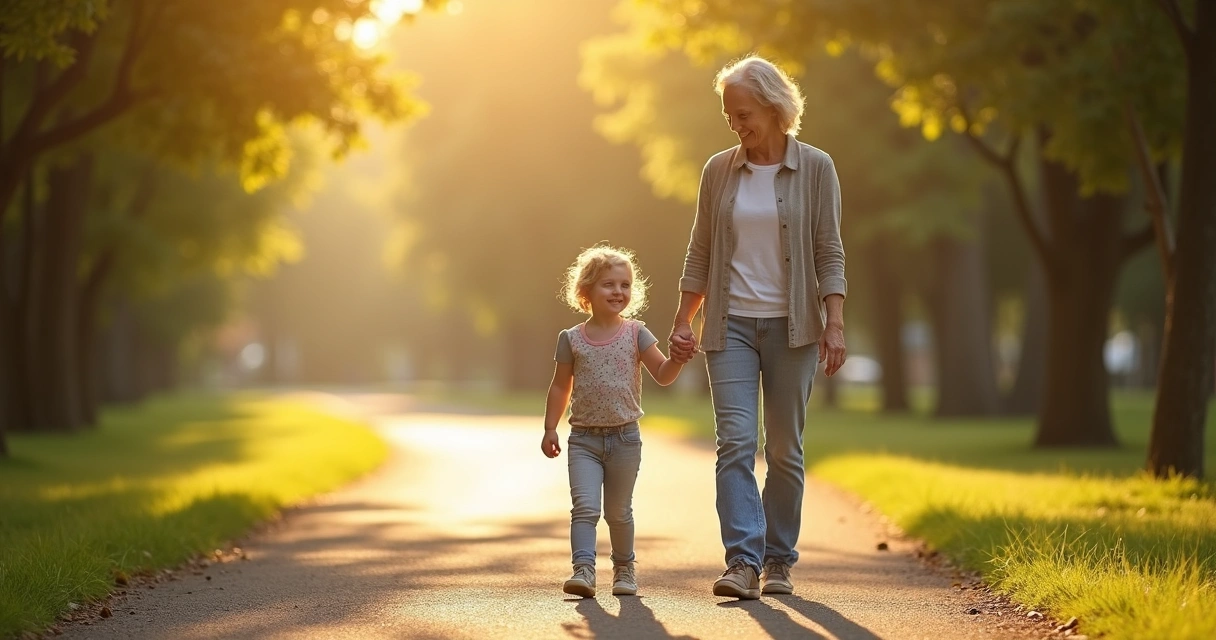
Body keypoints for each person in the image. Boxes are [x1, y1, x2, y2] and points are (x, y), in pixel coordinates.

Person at [668, 55, 848, 600]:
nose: (736, 125)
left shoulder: (817, 167)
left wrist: (834, 322)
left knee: (785, 450)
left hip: (795, 328)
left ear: (773, 108)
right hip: (732, 326)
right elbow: (700, 251)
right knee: (735, 443)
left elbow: (829, 250)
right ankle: (743, 561)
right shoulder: (717, 171)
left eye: (743, 113)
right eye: (729, 116)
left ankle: (778, 560)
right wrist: (683, 318)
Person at [541, 244, 691, 598]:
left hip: (625, 439)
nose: (618, 291)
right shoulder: (571, 339)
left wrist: (679, 359)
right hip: (584, 441)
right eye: (609, 284)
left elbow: (663, 374)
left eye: (625, 285)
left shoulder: (637, 333)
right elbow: (560, 385)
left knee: (619, 512)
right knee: (586, 507)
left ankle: (624, 570)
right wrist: (550, 426)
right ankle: (584, 569)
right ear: (586, 292)